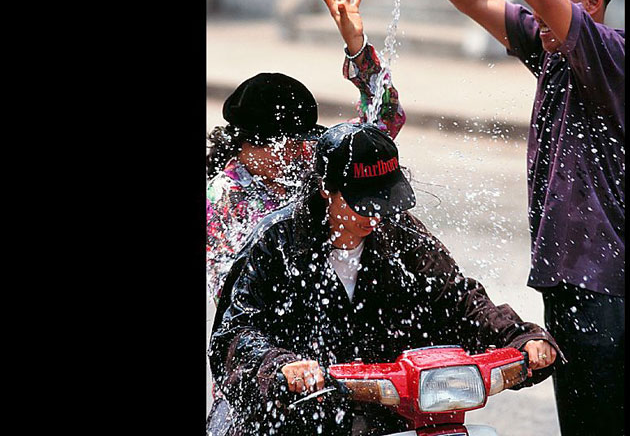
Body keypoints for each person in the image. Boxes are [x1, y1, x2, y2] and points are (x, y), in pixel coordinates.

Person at [419, 0, 625, 435]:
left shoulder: (609, 56)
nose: (537, 14)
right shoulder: (553, 48)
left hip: (607, 286)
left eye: (554, 0)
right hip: (570, 282)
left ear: (591, 2)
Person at [209, 122, 561, 436]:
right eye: (363, 203)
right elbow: (234, 335)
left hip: (384, 414)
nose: (375, 217)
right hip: (291, 419)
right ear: (326, 190)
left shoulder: (401, 233)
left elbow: (457, 297)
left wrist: (519, 335)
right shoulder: (276, 242)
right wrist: (282, 366)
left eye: (384, 201)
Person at [206, 0, 406, 303]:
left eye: (305, 139)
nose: (302, 150)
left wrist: (357, 47)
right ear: (250, 144)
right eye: (291, 142)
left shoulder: (312, 157)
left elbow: (385, 119)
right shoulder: (222, 198)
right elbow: (231, 296)